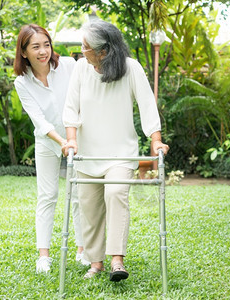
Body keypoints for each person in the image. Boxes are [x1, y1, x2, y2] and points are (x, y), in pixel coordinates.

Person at [62, 20, 169, 281]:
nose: (82, 50)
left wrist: (156, 140)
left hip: (121, 151)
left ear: (104, 51)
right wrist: (71, 139)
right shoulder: (80, 68)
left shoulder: (131, 68)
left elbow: (147, 105)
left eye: (86, 47)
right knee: (89, 206)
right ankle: (95, 262)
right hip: (88, 151)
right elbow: (70, 108)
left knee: (116, 192)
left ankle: (117, 260)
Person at [13, 24, 89, 273]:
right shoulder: (22, 82)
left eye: (46, 44)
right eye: (35, 46)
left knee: (78, 195)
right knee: (47, 197)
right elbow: (39, 120)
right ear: (24, 52)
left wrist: (72, 138)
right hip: (47, 141)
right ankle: (43, 256)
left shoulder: (68, 65)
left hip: (76, 138)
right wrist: (61, 141)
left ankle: (82, 250)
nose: (43, 51)